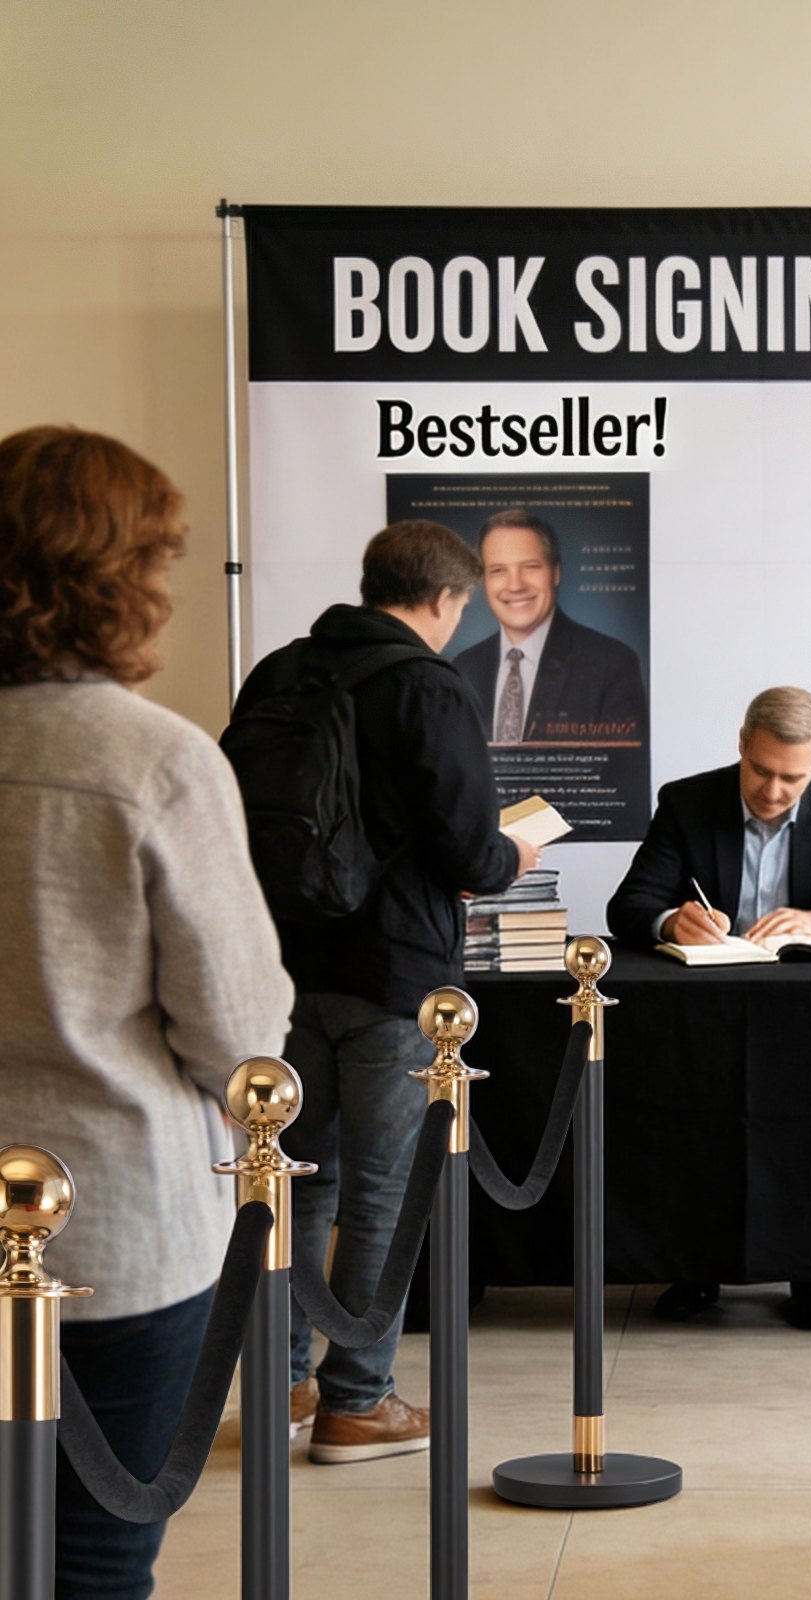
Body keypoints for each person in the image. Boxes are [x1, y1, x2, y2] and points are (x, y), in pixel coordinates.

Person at [0, 425, 294, 1599]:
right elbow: (236, 1034)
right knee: (97, 1555)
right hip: (114, 1233)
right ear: (115, 577)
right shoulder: (155, 761)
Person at [230, 520, 538, 1462]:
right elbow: (468, 850)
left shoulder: (280, 671)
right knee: (381, 1193)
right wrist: (515, 853)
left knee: (295, 1183)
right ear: (449, 599)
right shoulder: (427, 684)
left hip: (282, 967)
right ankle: (359, 1400)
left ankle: (282, 1389)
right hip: (393, 973)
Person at [605, 686, 811, 1329]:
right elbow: (628, 905)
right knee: (697, 1131)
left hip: (807, 1014)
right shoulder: (686, 801)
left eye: (792, 777)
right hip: (707, 1009)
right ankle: (695, 1269)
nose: (773, 790)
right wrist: (669, 920)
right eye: (762, 771)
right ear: (742, 746)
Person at [453, 508, 648, 743]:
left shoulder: (611, 664)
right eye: (498, 570)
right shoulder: (464, 669)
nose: (515, 585)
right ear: (484, 581)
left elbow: (624, 772)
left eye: (530, 567)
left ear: (556, 573)